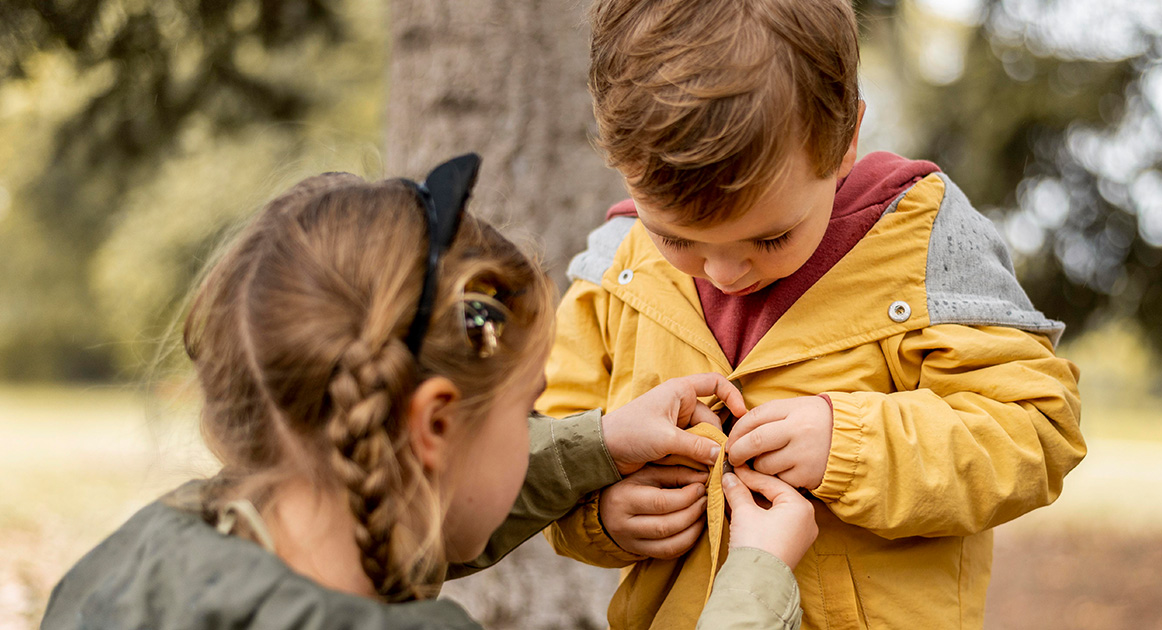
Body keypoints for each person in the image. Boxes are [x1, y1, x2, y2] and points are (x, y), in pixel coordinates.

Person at [40, 155, 817, 630]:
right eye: (527, 412)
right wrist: (754, 581)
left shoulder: (148, 552)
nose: (535, 429)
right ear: (434, 423)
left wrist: (599, 442)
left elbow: (414, 492)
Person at [538, 1, 1087, 628]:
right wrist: (601, 514)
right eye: (675, 238)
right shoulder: (614, 270)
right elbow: (547, 452)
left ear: (845, 139)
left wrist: (850, 444)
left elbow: (1037, 430)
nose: (722, 272)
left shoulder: (921, 244)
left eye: (770, 239)